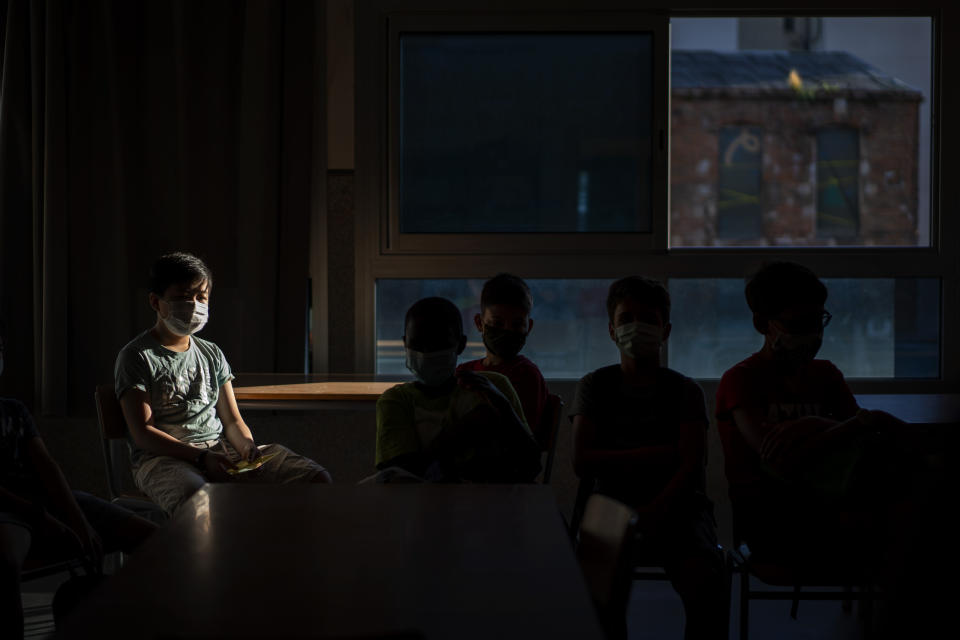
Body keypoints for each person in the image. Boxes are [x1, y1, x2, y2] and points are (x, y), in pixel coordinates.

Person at [715, 261, 940, 637]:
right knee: (905, 514)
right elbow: (779, 457)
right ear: (762, 324)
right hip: (772, 520)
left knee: (905, 488)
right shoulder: (742, 380)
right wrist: (850, 426)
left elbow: (869, 441)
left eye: (819, 321)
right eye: (798, 324)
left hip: (834, 508)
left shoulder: (826, 375)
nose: (813, 334)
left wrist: (817, 426)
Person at [570, 277, 727, 640]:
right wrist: (657, 453)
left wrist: (651, 511)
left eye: (648, 318)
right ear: (612, 330)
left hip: (678, 510)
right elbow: (581, 461)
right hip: (612, 510)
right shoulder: (595, 386)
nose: (636, 327)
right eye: (626, 319)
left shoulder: (685, 390)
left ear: (665, 329)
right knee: (600, 595)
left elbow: (690, 468)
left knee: (705, 580)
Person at [115, 252, 331, 514]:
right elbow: (143, 434)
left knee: (313, 478)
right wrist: (201, 457)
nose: (193, 305)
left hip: (219, 451)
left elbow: (232, 420)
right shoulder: (137, 356)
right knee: (200, 499)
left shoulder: (212, 353)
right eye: (182, 297)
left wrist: (247, 448)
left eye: (201, 297)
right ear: (155, 302)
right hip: (163, 461)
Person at [0, 322, 157, 640]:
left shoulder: (13, 411)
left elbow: (48, 467)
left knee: (155, 539)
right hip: (8, 511)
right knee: (6, 566)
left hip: (46, 500)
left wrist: (77, 520)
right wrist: (40, 517)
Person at [375, 297, 541, 483]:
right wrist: (460, 433)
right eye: (418, 344)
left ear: (461, 344)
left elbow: (531, 466)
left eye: (439, 344)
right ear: (405, 343)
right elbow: (400, 476)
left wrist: (503, 408)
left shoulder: (492, 388)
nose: (427, 353)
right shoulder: (396, 401)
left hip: (494, 506)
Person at [457, 274, 551, 447]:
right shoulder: (464, 372)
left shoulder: (527, 375)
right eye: (498, 323)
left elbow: (521, 439)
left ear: (528, 327)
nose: (507, 331)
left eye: (516, 325)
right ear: (479, 323)